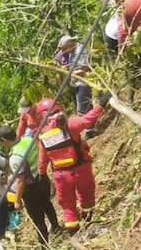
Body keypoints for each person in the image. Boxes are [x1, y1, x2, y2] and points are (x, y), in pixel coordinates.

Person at [34, 92, 110, 231]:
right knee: (86, 196)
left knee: (67, 205)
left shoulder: (43, 135)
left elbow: (42, 159)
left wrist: (41, 174)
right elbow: (88, 120)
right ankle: (88, 220)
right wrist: (101, 104)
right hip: (81, 170)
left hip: (61, 176)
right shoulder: (70, 124)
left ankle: (73, 229)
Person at [0, 124, 60, 244]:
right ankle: (56, 227)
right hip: (42, 178)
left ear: (4, 140)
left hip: (31, 190)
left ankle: (44, 246)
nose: (2, 145)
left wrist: (17, 200)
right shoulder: (28, 140)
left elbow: (21, 181)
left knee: (38, 219)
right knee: (47, 205)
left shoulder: (15, 156)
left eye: (1, 142)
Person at [54, 35, 92, 115]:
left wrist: (69, 73)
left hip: (83, 83)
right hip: (77, 83)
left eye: (65, 49)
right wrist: (67, 67)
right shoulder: (72, 51)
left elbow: (84, 69)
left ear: (69, 44)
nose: (64, 52)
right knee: (85, 107)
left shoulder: (80, 52)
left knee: (82, 111)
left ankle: (88, 123)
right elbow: (76, 64)